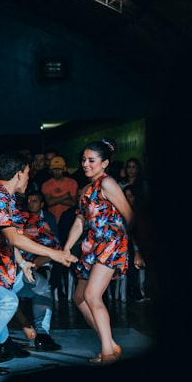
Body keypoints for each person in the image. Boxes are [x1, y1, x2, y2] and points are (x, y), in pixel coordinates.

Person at [0, 152, 77, 370]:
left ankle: (33, 336)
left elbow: (4, 237)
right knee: (7, 302)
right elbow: (14, 237)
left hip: (2, 268)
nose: (29, 178)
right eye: (28, 174)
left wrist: (21, 262)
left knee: (40, 286)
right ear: (19, 174)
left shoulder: (5, 196)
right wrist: (53, 254)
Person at [62, 138, 133, 365]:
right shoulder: (88, 189)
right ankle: (110, 343)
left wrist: (139, 249)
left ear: (104, 163)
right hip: (92, 246)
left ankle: (108, 354)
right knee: (80, 298)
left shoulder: (107, 184)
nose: (85, 164)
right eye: (83, 160)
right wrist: (65, 249)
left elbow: (129, 215)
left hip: (111, 244)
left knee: (93, 295)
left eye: (91, 160)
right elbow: (80, 222)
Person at [14, 188, 62, 351]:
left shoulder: (39, 220)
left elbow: (54, 246)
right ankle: (36, 331)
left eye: (33, 201)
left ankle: (41, 334)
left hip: (33, 264)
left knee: (42, 285)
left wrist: (39, 261)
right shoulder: (19, 219)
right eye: (26, 201)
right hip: (13, 266)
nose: (29, 204)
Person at [41, 155, 78, 224]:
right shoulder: (46, 184)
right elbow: (49, 202)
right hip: (52, 219)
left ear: (64, 169)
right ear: (51, 170)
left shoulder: (72, 182)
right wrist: (65, 196)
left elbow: (73, 203)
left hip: (68, 219)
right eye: (54, 169)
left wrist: (55, 199)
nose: (57, 171)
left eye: (59, 169)